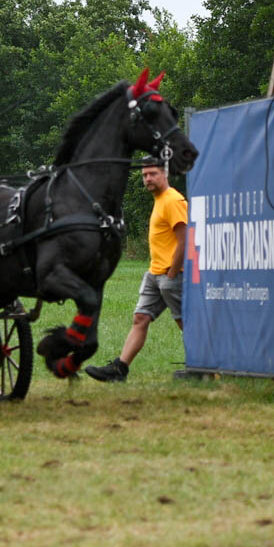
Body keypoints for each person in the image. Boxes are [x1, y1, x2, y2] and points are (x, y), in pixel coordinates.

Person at [84, 161, 187, 383]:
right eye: (144, 175)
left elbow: (185, 239)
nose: (148, 178)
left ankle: (204, 366)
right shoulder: (160, 199)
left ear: (165, 174)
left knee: (184, 322)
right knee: (140, 318)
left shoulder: (173, 200)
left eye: (152, 174)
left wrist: (173, 272)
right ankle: (119, 369)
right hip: (154, 273)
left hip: (172, 274)